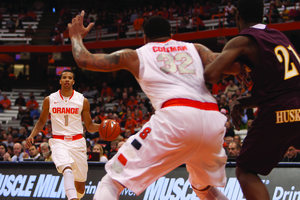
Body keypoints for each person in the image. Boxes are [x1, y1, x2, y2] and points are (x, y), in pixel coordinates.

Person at [69, 13, 233, 200]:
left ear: (144, 37)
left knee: (111, 181)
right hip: (212, 119)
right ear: (170, 34)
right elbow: (229, 64)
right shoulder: (195, 48)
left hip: (176, 117)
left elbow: (84, 59)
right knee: (204, 188)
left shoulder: (137, 54)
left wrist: (75, 36)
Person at [204, 0, 300, 199]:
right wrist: (241, 102)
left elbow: (211, 75)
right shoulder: (279, 36)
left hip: (279, 112)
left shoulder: (243, 40)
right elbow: (278, 89)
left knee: (245, 169)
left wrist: (228, 63)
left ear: (238, 16)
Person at [25, 70, 100, 200]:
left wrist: (103, 127)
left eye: (69, 78)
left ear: (73, 81)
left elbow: (89, 126)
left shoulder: (82, 100)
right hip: (59, 141)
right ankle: (72, 198)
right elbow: (42, 121)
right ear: (60, 81)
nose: (67, 80)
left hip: (78, 142)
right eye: (64, 77)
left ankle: (76, 196)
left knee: (81, 186)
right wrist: (32, 135)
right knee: (67, 168)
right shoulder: (50, 99)